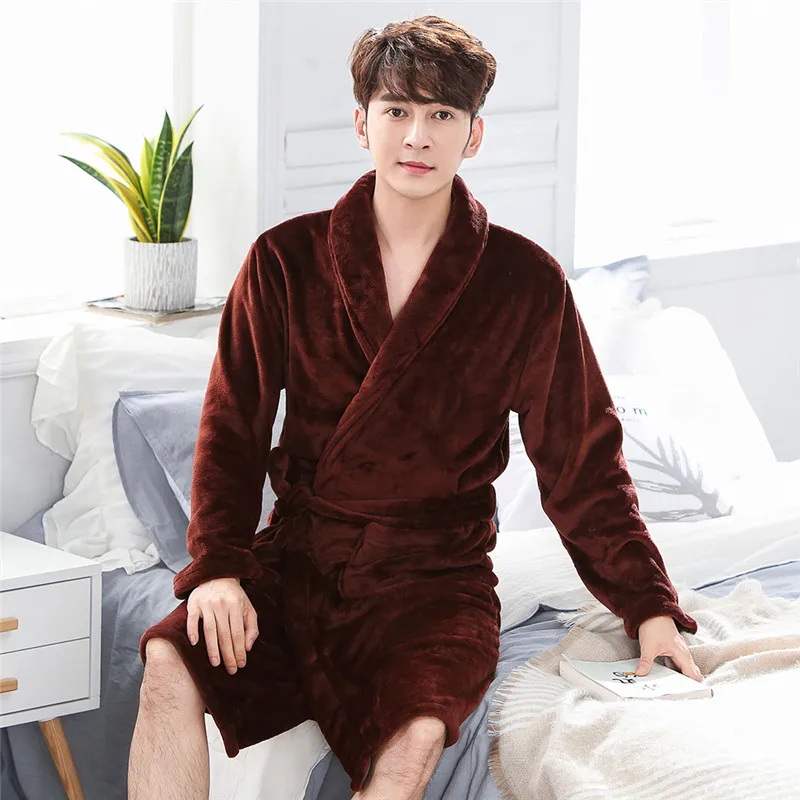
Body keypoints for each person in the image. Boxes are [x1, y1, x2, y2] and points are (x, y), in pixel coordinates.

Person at [128, 14, 701, 800]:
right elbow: (231, 429)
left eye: (442, 114)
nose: (417, 136)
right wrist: (218, 568)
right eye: (397, 110)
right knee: (168, 661)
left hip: (436, 580)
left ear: (474, 135)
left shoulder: (525, 282)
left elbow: (582, 465)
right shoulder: (284, 260)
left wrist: (649, 607)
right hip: (299, 560)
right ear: (362, 122)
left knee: (418, 737)